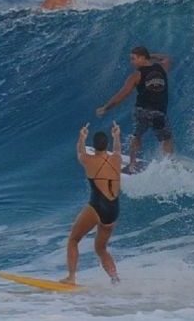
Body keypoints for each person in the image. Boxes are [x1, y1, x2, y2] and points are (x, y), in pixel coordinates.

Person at [61, 121, 122, 286]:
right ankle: (115, 279)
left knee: (73, 240)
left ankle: (71, 278)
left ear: (93, 146)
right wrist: (117, 135)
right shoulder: (117, 159)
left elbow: (80, 151)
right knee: (101, 248)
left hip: (97, 206)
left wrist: (82, 137)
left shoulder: (88, 159)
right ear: (107, 144)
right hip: (113, 210)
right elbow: (117, 149)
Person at [96, 46, 173, 173]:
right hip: (159, 112)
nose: (132, 62)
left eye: (134, 59)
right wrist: (151, 55)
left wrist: (105, 108)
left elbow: (122, 95)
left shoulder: (136, 75)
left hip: (141, 111)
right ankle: (167, 165)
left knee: (137, 136)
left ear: (142, 58)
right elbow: (167, 58)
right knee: (166, 139)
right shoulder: (162, 69)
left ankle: (132, 165)